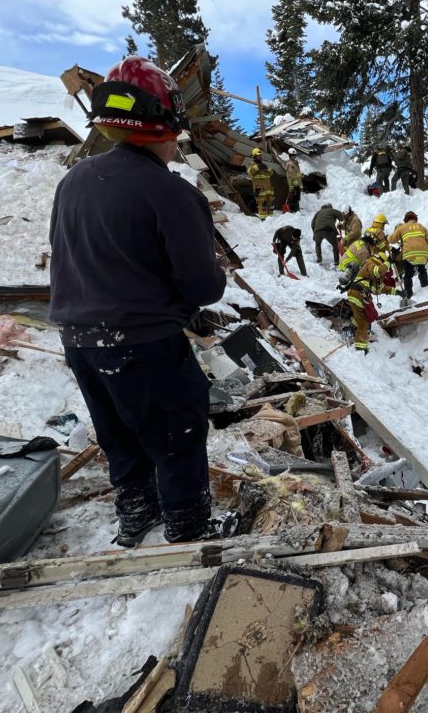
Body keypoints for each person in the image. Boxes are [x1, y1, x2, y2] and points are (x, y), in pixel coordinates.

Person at [49, 56, 226, 547]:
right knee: (176, 432)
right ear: (165, 125)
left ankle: (135, 512)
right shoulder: (172, 193)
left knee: (117, 432)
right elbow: (202, 287)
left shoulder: (73, 182)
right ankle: (188, 525)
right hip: (144, 342)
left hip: (80, 340)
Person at [344, 249, 397, 353]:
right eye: (384, 264)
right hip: (357, 294)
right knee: (364, 323)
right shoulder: (371, 264)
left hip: (357, 294)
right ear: (381, 261)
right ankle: (361, 348)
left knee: (362, 316)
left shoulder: (374, 273)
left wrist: (398, 292)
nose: (385, 269)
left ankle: (352, 329)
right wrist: (388, 262)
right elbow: (379, 270)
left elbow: (380, 289)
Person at [387, 211, 428, 299]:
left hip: (409, 254)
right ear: (415, 219)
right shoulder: (421, 226)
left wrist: (387, 238)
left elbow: (391, 239)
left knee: (408, 275)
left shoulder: (402, 227)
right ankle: (425, 286)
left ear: (405, 220)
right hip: (422, 253)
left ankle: (408, 294)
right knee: (422, 270)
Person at [248, 147, 275, 220]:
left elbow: (271, 173)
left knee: (271, 206)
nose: (260, 157)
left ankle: (271, 220)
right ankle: (263, 220)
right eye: (258, 156)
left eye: (261, 156)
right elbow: (250, 172)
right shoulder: (252, 165)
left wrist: (267, 168)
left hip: (268, 190)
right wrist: (257, 167)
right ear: (254, 157)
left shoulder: (263, 165)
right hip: (260, 191)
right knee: (262, 207)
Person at [284, 147, 302, 213]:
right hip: (293, 184)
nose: (294, 156)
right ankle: (293, 211)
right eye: (292, 155)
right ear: (289, 156)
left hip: (297, 183)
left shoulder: (295, 163)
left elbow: (296, 173)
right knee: (293, 198)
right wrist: (296, 183)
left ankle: (296, 211)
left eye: (294, 155)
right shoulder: (290, 164)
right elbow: (291, 175)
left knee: (296, 198)